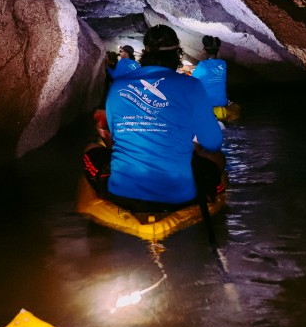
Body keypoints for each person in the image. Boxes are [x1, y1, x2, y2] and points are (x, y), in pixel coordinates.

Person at [85, 24, 224, 209]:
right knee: (217, 158)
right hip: (179, 195)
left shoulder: (117, 86)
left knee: (91, 148)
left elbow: (115, 139)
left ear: (145, 52)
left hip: (123, 194)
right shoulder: (192, 86)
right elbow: (213, 143)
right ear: (177, 53)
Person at [192, 35, 228, 111]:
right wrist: (192, 67)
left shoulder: (202, 65)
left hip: (207, 105)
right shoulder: (223, 64)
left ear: (204, 51)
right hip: (221, 103)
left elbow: (192, 81)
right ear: (218, 51)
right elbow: (211, 67)